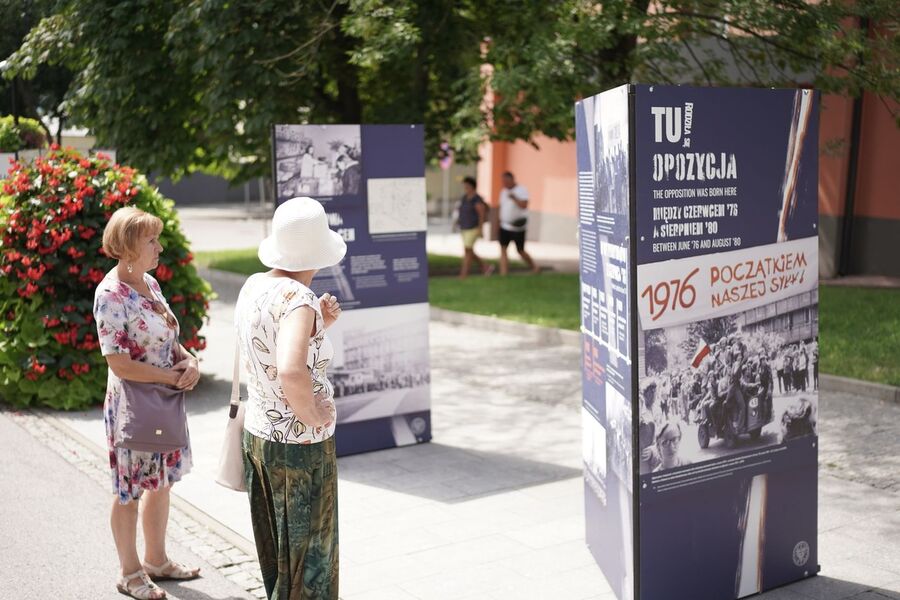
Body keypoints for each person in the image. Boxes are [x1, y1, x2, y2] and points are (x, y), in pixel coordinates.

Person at [236, 197, 346, 599]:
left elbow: (265, 348)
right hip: (299, 446)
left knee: (278, 557)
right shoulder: (297, 300)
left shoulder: (255, 285)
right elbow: (289, 370)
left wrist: (317, 323)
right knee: (310, 563)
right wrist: (313, 412)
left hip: (260, 435)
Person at [94, 207, 201, 600]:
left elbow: (168, 340)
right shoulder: (110, 295)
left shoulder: (149, 284)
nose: (159, 247)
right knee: (129, 491)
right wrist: (170, 376)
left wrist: (188, 360)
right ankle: (129, 572)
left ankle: (157, 561)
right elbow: (119, 364)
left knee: (161, 483)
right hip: (134, 405)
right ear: (126, 247)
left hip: (163, 399)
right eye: (151, 241)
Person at [497, 171, 539, 275]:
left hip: (518, 227)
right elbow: (501, 207)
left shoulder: (521, 190)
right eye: (503, 182)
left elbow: (524, 205)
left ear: (512, 179)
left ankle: (534, 267)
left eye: (506, 181)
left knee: (520, 250)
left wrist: (514, 198)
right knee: (503, 249)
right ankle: (503, 274)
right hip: (504, 225)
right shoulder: (503, 192)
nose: (505, 183)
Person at [455, 176, 494, 278]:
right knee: (469, 251)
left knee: (468, 251)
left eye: (467, 185)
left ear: (472, 186)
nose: (465, 187)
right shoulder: (464, 197)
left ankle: (463, 275)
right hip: (464, 227)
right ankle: (486, 267)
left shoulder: (477, 199)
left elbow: (481, 214)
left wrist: (480, 229)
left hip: (473, 228)